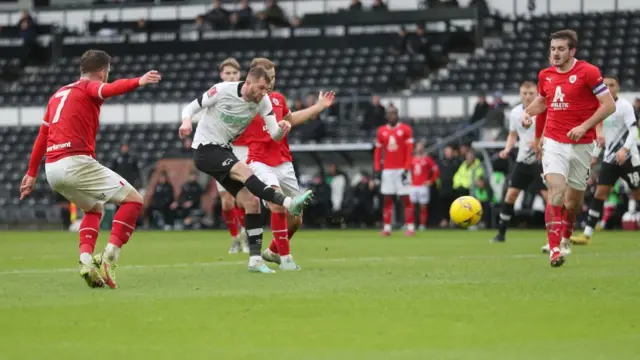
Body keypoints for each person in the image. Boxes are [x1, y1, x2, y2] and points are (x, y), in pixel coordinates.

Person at [20, 49, 161, 288]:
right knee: (134, 200)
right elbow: (107, 90)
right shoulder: (89, 86)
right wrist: (139, 81)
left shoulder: (57, 95)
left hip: (52, 168)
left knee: (95, 210)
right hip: (76, 162)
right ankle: (110, 256)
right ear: (102, 72)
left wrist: (31, 174)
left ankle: (85, 260)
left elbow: (42, 136)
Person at [178, 67, 314, 273]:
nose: (264, 93)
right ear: (249, 83)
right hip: (205, 149)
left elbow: (274, 135)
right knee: (246, 172)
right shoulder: (222, 90)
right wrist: (187, 121)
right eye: (261, 88)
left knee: (251, 203)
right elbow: (191, 107)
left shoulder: (263, 101)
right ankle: (288, 202)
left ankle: (255, 261)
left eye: (267, 89)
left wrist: (282, 128)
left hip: (224, 150)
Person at [521, 29, 616, 267]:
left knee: (573, 204)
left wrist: (585, 127)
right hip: (554, 141)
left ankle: (566, 237)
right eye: (553, 48)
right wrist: (527, 114)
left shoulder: (589, 72)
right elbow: (543, 101)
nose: (555, 53)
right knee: (556, 191)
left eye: (561, 49)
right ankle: (554, 249)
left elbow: (608, 105)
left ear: (572, 51)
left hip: (582, 144)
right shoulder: (545, 75)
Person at [240, 58, 335, 270]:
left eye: (273, 78)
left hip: (283, 162)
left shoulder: (278, 99)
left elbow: (293, 119)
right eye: (267, 78)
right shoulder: (244, 101)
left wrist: (319, 106)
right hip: (259, 161)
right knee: (277, 203)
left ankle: (273, 251)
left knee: (297, 218)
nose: (271, 82)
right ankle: (286, 260)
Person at [571, 76, 640, 245]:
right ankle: (586, 235)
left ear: (618, 87)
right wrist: (594, 155)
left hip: (629, 158)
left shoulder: (624, 106)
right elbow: (601, 136)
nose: (608, 88)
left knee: (638, 193)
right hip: (610, 159)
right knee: (599, 194)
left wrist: (624, 149)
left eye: (612, 85)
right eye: (605, 85)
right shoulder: (601, 107)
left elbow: (633, 131)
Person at [493, 81, 548, 243]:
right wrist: (507, 149)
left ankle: (555, 235)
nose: (527, 96)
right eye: (524, 93)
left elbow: (550, 130)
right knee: (510, 196)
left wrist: (540, 141)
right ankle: (501, 234)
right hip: (523, 160)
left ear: (536, 94)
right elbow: (512, 134)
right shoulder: (516, 112)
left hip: (541, 160)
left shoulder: (543, 110)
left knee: (549, 197)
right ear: (520, 94)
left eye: (531, 93)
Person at [211, 58, 249, 254]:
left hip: (243, 150)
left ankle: (245, 235)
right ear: (221, 75)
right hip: (222, 149)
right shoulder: (215, 94)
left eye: (234, 73)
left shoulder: (246, 93)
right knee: (226, 201)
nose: (231, 76)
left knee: (243, 198)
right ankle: (235, 237)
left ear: (240, 75)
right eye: (228, 73)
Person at [374, 108, 415, 236]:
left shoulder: (406, 129)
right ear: (386, 116)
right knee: (387, 199)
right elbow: (378, 152)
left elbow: (409, 151)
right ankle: (387, 228)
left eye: (394, 114)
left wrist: (407, 167)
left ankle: (410, 227)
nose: (392, 116)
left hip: (401, 169)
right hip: (387, 170)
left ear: (397, 115)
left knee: (406, 198)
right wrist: (377, 169)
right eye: (390, 114)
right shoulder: (381, 131)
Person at [410, 141, 439, 230]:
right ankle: (410, 224)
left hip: (423, 186)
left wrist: (431, 180)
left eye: (421, 146)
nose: (419, 148)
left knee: (423, 206)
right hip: (413, 186)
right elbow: (407, 171)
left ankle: (422, 225)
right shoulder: (411, 159)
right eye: (418, 146)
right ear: (415, 148)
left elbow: (436, 170)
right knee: (411, 206)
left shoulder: (427, 159)